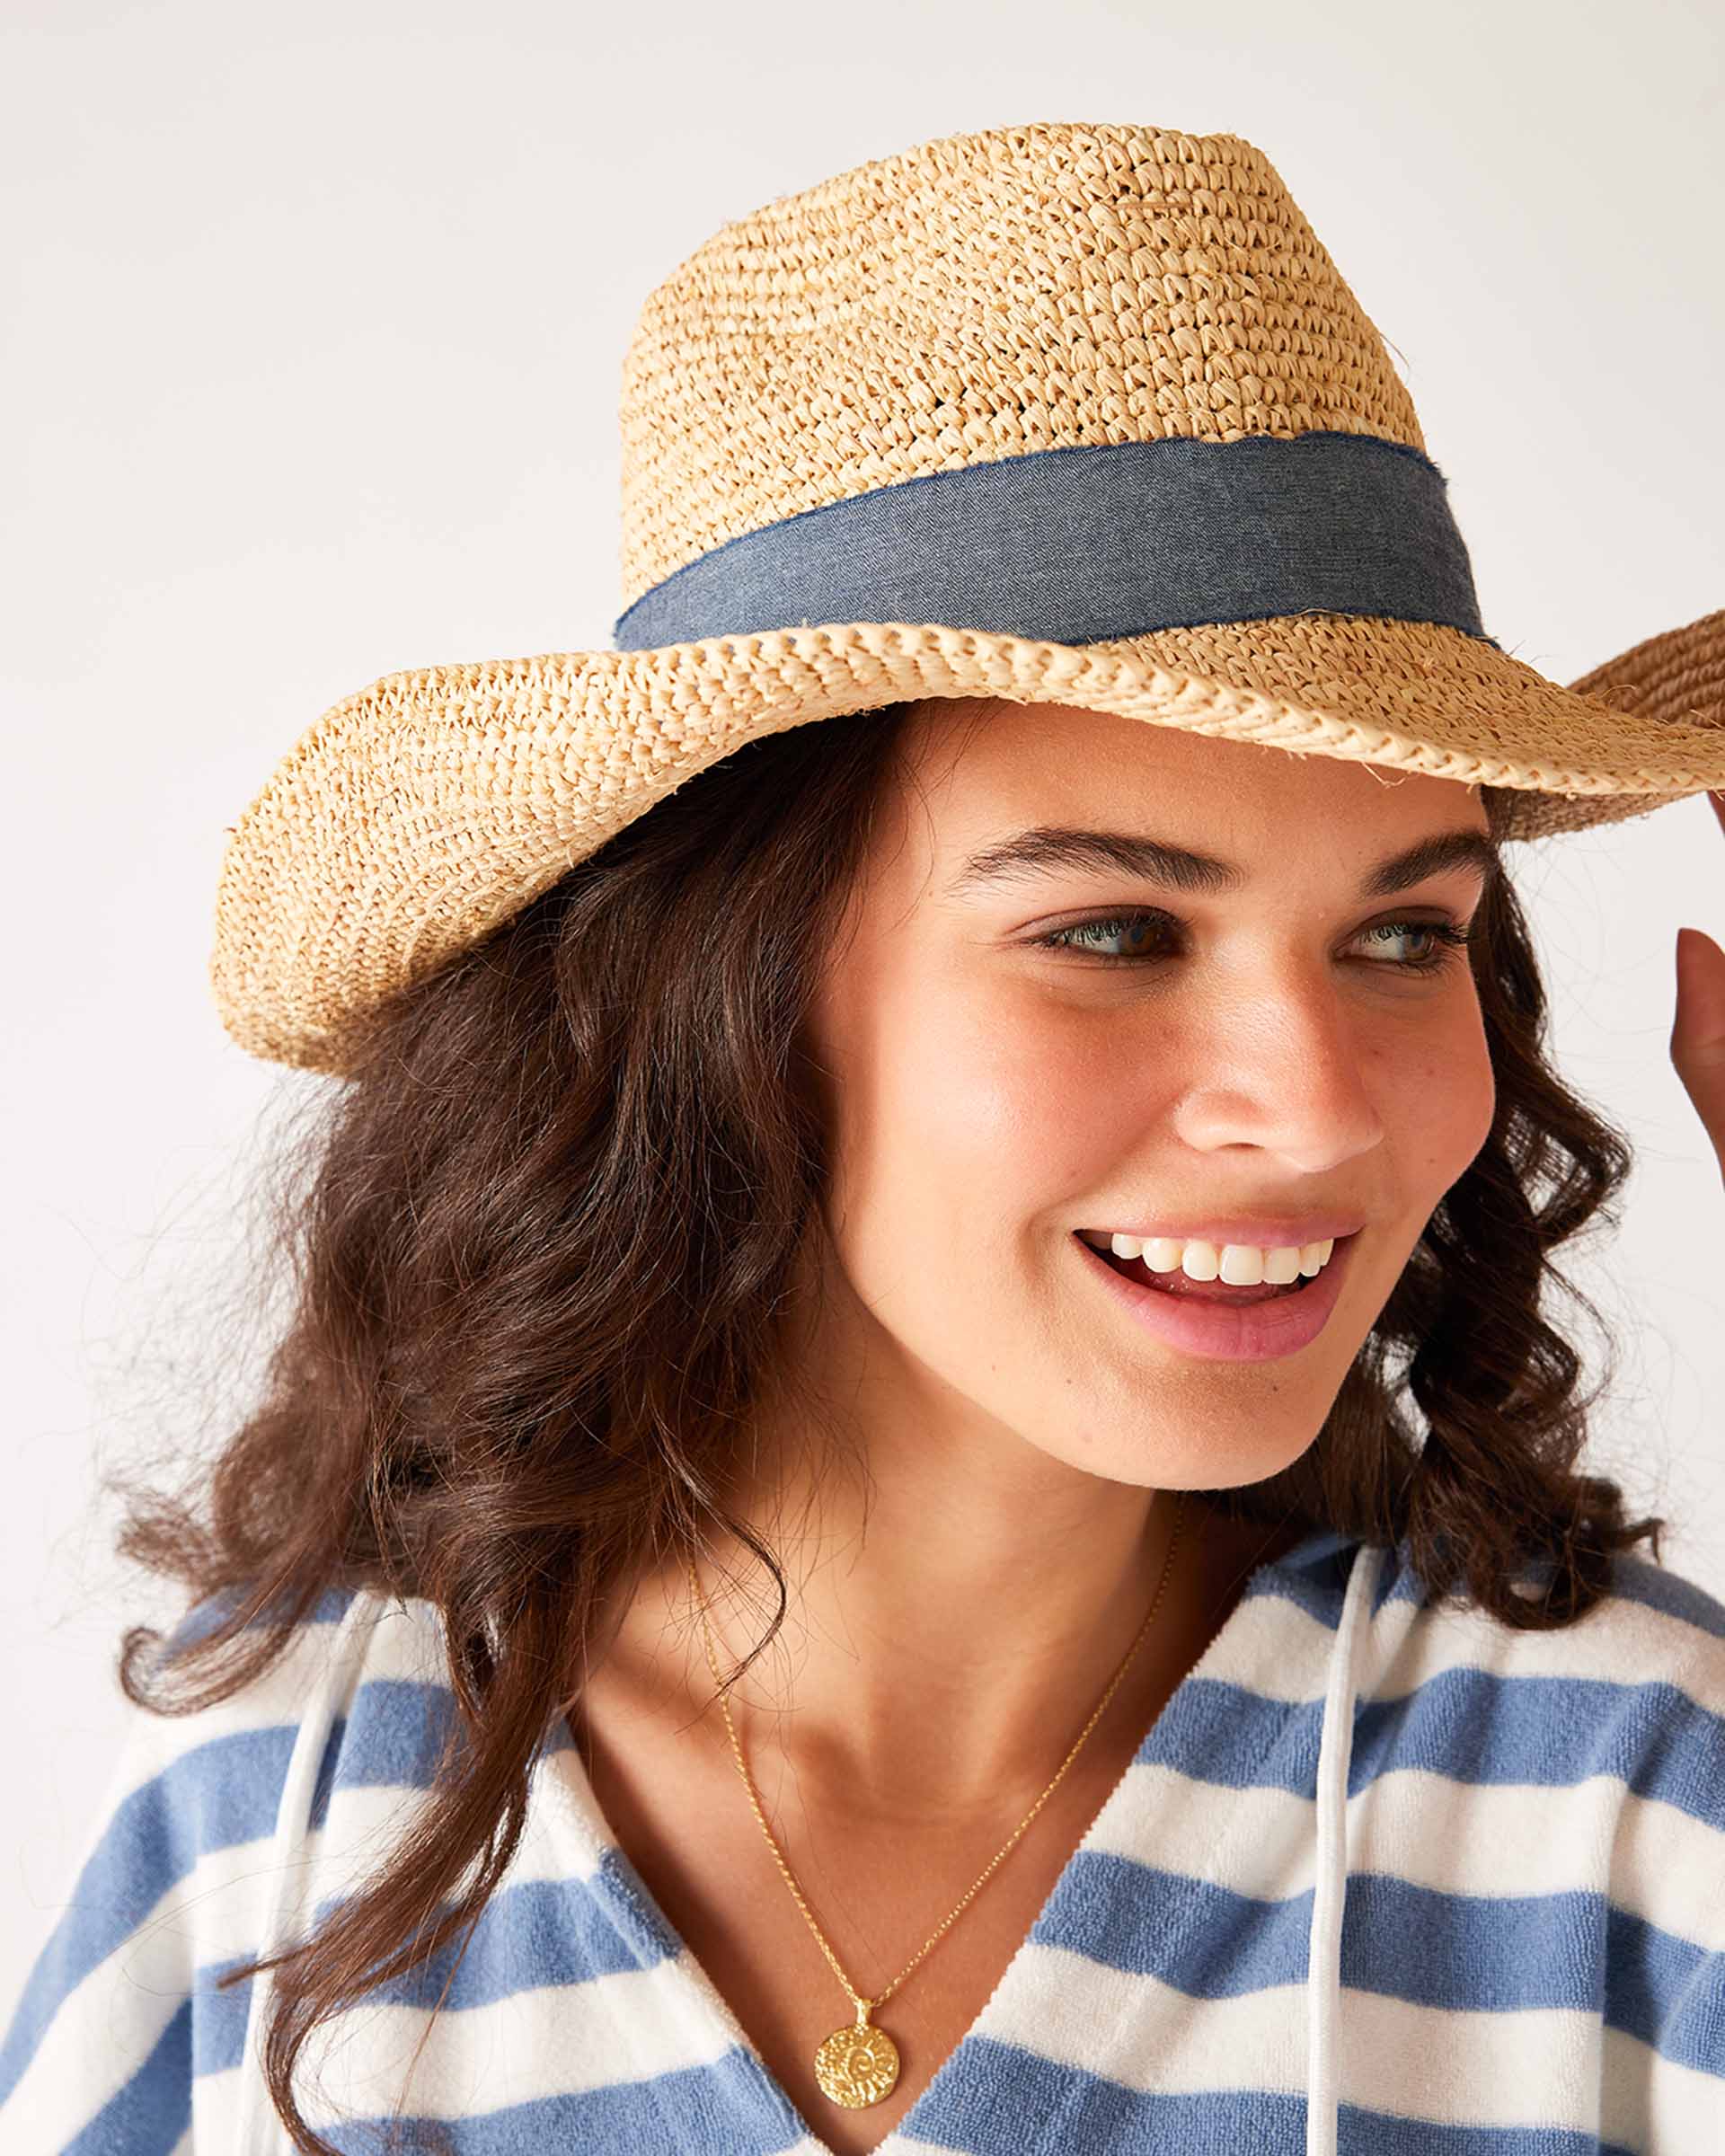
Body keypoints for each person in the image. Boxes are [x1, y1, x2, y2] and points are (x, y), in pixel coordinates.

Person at [4, 118, 1724, 2156]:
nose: (1321, 1103)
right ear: (722, 996)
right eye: (1111, 928)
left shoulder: (1635, 1807)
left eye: (1402, 933)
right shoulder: (282, 1831)